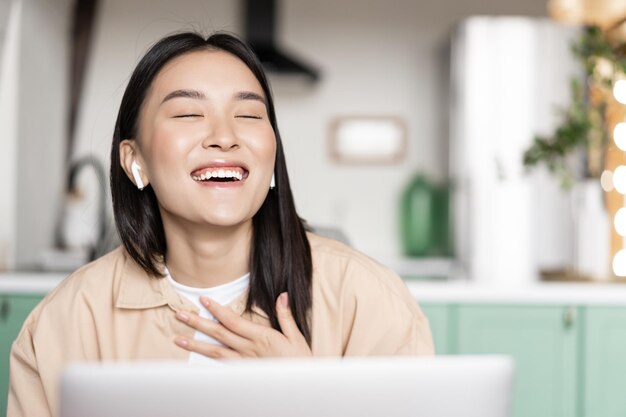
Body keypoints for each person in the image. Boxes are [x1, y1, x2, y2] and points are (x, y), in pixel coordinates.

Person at [7, 32, 433, 417]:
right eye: (189, 114)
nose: (225, 136)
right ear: (135, 160)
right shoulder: (64, 322)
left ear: (270, 159)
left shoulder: (370, 301)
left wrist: (312, 399)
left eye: (249, 115)